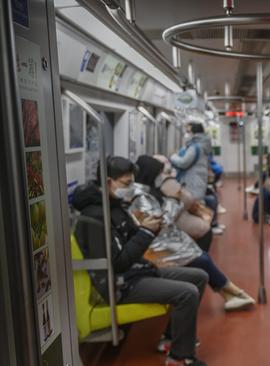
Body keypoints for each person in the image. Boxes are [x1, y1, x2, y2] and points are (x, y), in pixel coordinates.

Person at [72, 156, 207, 366]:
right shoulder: (95, 217)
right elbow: (118, 263)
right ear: (109, 182)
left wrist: (151, 228)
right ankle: (179, 358)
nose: (130, 188)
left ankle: (172, 339)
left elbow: (132, 238)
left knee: (199, 276)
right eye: (126, 183)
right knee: (187, 293)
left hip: (136, 272)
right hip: (118, 284)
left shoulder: (115, 207)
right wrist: (145, 232)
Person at [135, 155, 255, 313]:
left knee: (202, 256)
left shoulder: (152, 191)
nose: (161, 177)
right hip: (153, 249)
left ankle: (232, 294)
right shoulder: (140, 197)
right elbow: (164, 220)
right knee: (202, 259)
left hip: (165, 241)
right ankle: (234, 293)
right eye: (159, 174)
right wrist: (174, 201)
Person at [171, 123, 212, 201]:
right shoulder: (203, 145)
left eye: (188, 131)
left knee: (192, 204)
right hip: (199, 179)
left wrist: (173, 157)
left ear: (194, 133)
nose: (187, 134)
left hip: (192, 181)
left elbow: (183, 163)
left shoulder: (194, 147)